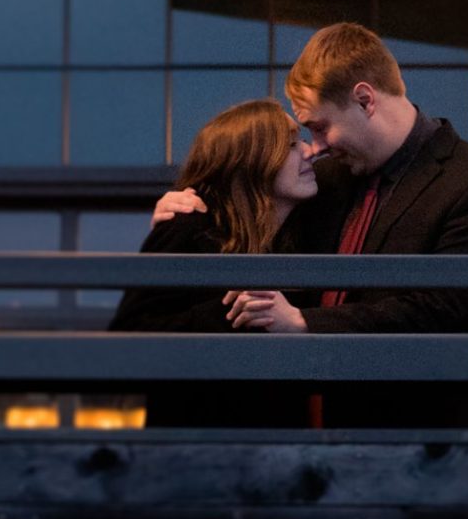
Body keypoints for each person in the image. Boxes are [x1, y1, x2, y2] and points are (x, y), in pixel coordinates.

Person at [151, 22, 468, 429]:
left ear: (365, 100)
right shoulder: (322, 182)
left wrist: (303, 323)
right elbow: (257, 236)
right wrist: (181, 220)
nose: (317, 146)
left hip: (411, 439)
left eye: (319, 126)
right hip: (296, 434)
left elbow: (446, 308)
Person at [110, 98, 319, 427]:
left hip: (277, 457)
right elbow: (127, 340)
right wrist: (229, 314)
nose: (308, 151)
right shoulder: (189, 229)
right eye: (292, 144)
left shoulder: (302, 236)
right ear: (254, 160)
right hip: (198, 451)